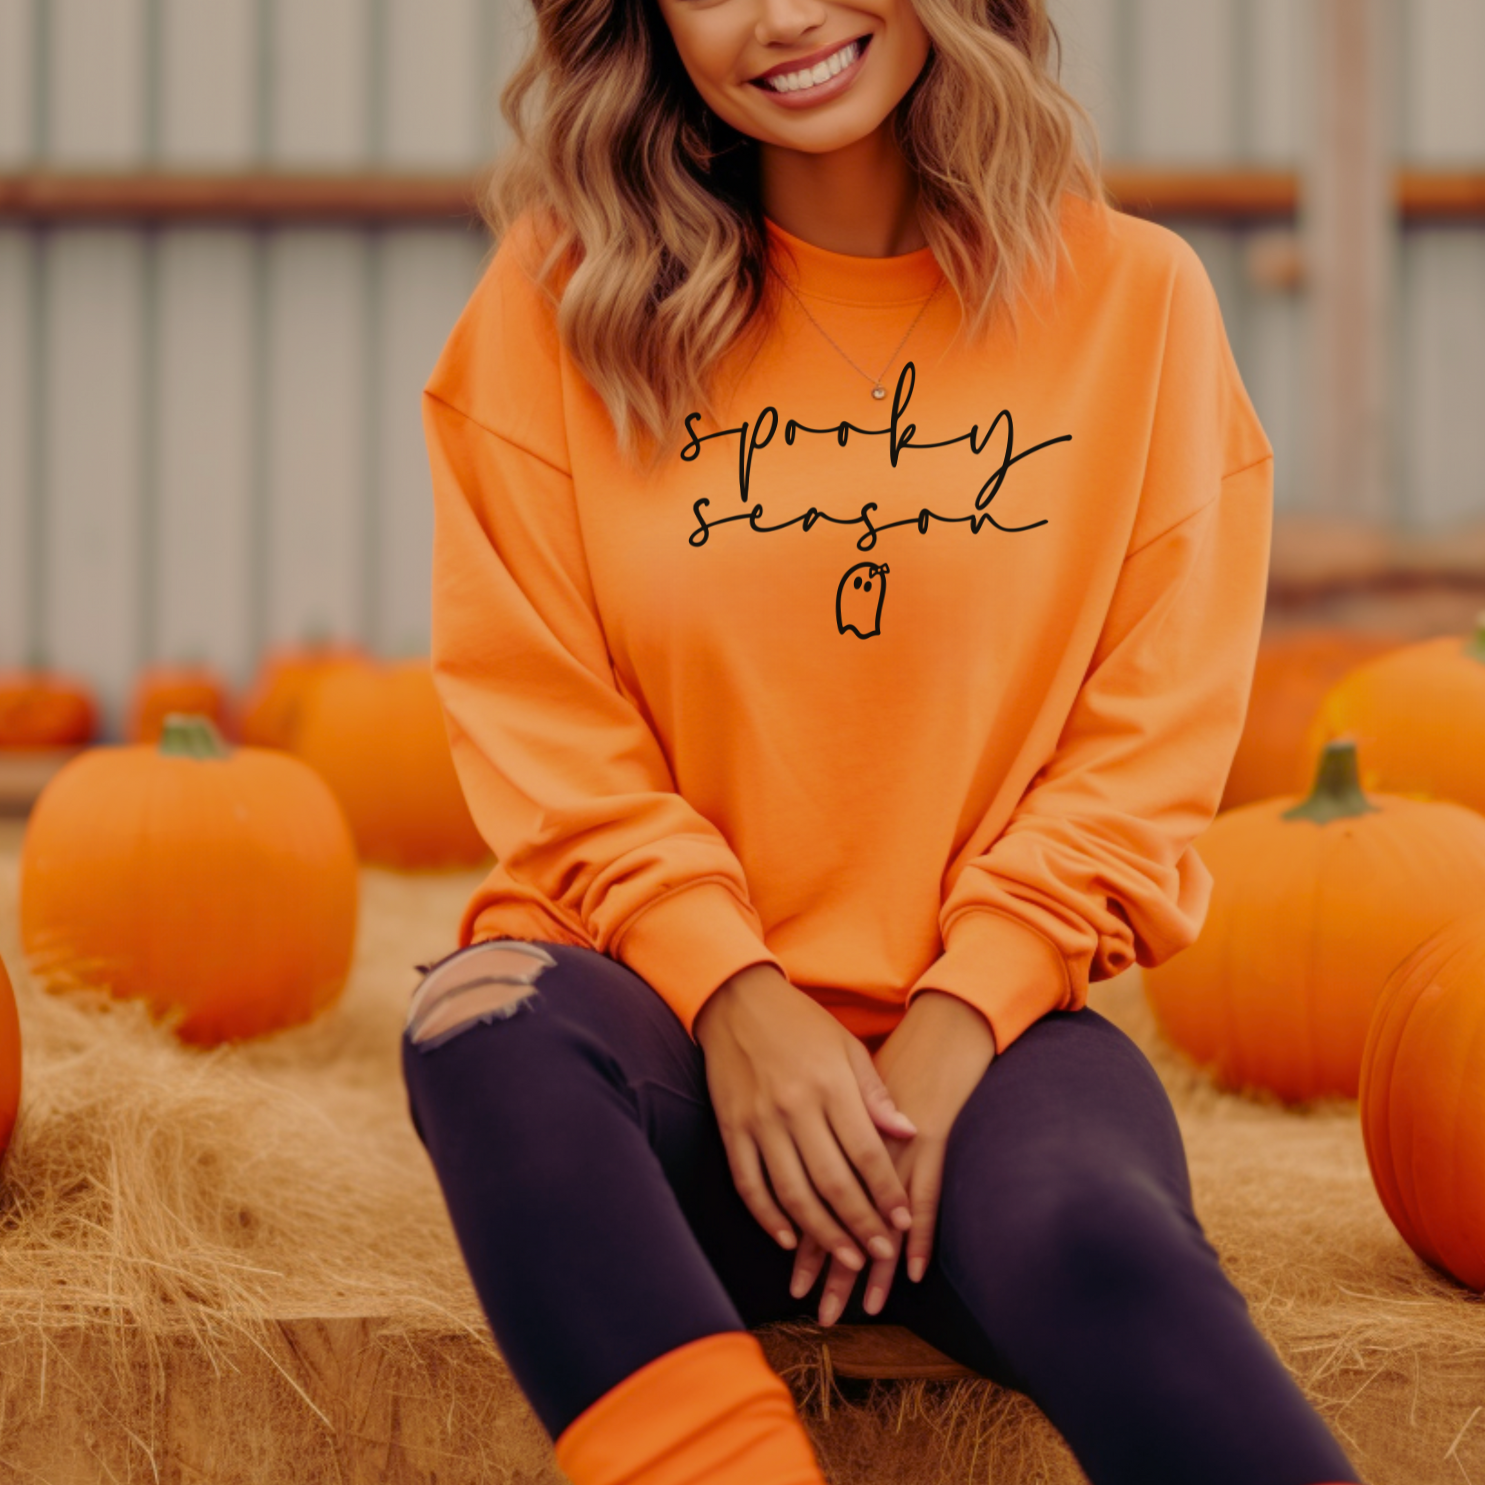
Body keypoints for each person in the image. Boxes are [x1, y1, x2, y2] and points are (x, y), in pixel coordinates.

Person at [399, 1, 1363, 1482]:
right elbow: (544, 719)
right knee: (484, 1024)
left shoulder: (1136, 303)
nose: (782, 15)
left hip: (985, 1069)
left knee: (1101, 1237)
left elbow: (1144, 749)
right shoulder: (558, 301)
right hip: (670, 1067)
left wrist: (956, 1017)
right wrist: (735, 998)